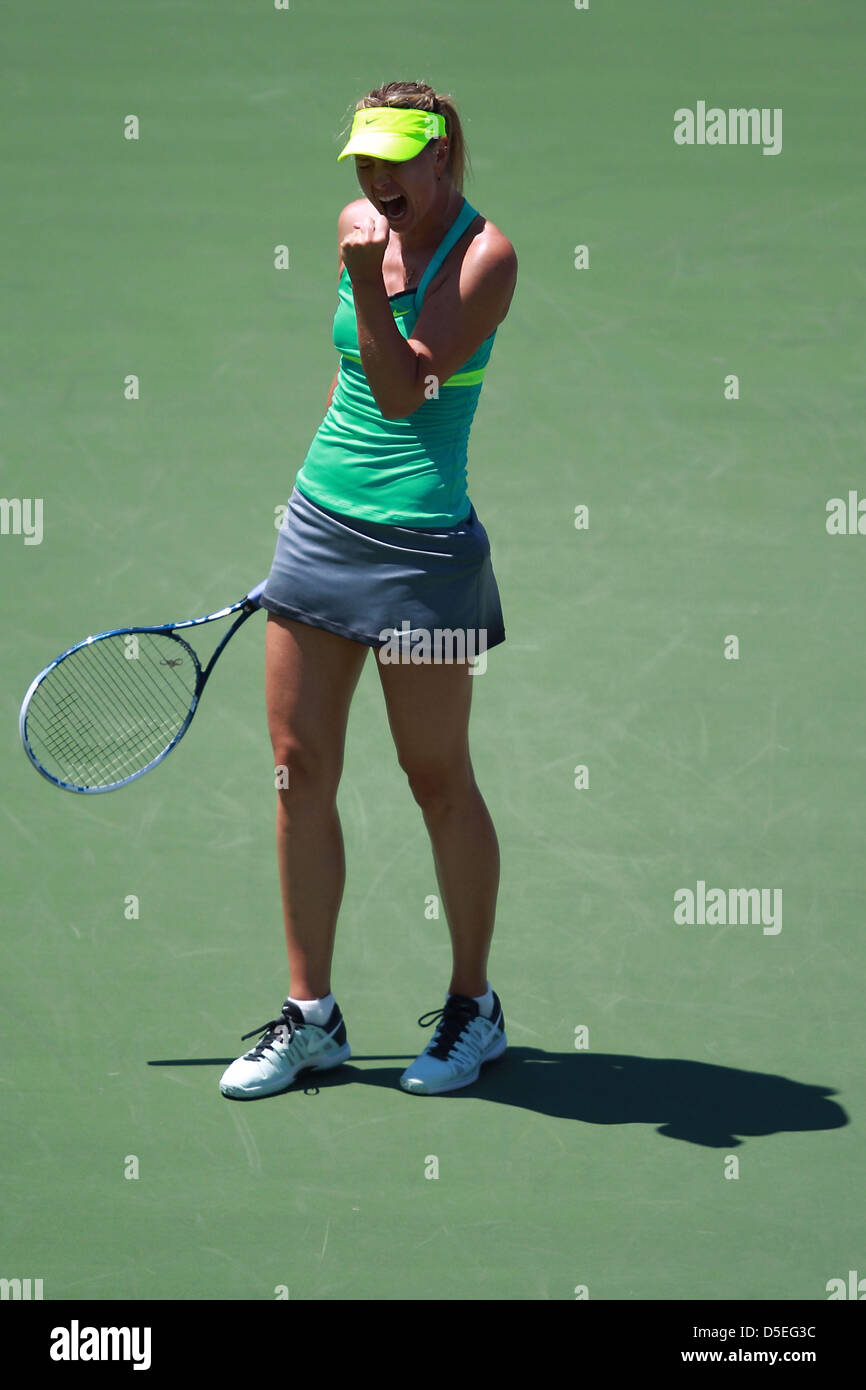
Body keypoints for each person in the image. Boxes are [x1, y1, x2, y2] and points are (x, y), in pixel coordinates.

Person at [219, 80, 518, 1101]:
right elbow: (352, 391)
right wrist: (318, 518)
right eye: (364, 158)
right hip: (318, 529)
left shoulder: (485, 257)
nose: (375, 179)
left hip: (426, 559)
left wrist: (361, 282)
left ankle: (473, 1008)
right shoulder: (357, 223)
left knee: (435, 777)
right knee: (297, 768)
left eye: (396, 157)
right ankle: (312, 1019)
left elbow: (404, 390)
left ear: (441, 156)